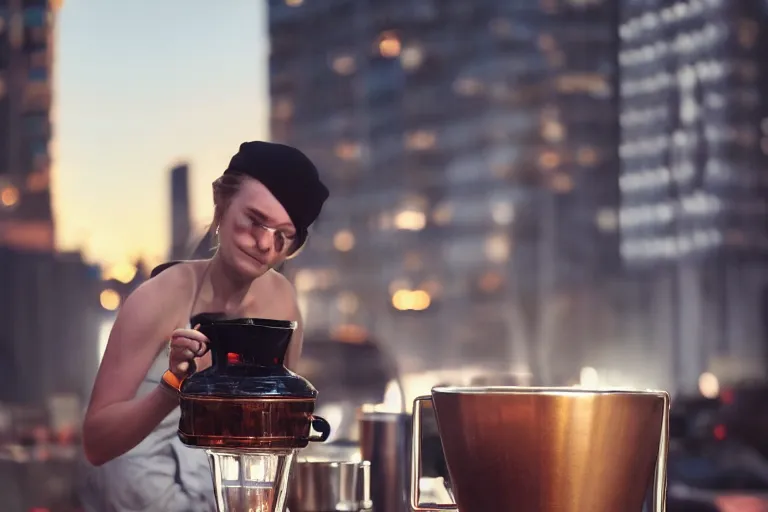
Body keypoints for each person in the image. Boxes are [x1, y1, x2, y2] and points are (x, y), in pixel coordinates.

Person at [78, 141, 329, 512]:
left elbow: (278, 438)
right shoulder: (158, 299)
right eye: (255, 220)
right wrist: (172, 387)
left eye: (282, 235)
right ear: (221, 203)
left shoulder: (283, 304)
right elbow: (96, 445)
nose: (264, 244)